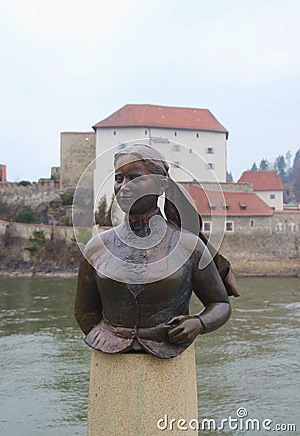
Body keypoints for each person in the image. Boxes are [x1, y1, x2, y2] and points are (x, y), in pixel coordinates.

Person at [74, 144, 239, 359]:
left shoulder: (189, 246)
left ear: (160, 185)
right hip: (109, 353)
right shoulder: (97, 247)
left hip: (169, 347)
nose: (124, 186)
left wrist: (199, 322)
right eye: (118, 178)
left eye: (134, 177)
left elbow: (220, 304)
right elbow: (84, 311)